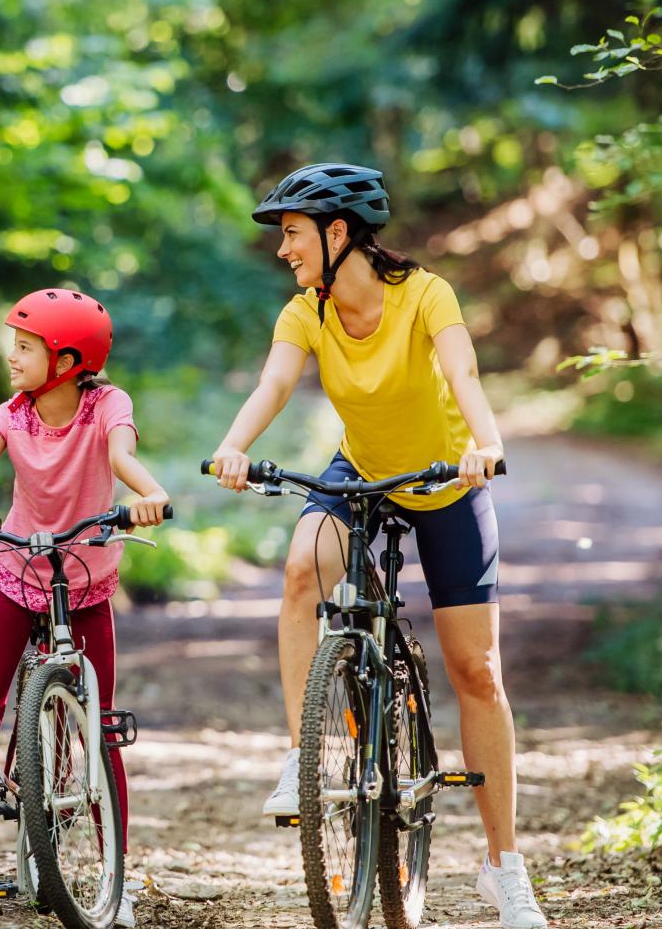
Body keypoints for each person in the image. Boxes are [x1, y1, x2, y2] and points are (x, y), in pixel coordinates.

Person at [206, 162, 546, 928]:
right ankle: (305, 755)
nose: (284, 251)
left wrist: (485, 443)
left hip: (445, 481)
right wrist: (233, 446)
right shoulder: (306, 312)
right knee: (302, 574)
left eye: (292, 234)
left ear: (338, 233)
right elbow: (273, 385)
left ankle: (504, 867)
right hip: (361, 469)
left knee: (477, 670)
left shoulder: (426, 294)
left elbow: (461, 371)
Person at [0, 289, 171, 928]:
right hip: (16, 572)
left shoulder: (106, 404)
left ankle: (114, 873)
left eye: (26, 348)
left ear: (67, 360)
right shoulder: (13, 414)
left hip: (85, 578)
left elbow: (121, 455)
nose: (13, 357)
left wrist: (150, 492)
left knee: (101, 726)